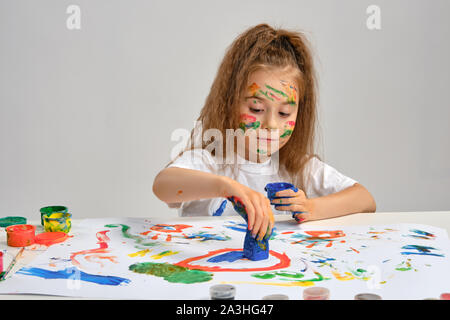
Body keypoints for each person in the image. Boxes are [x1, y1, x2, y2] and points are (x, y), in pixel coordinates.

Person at [153, 23, 376, 242]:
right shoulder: (211, 160)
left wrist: (311, 207)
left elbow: (365, 199)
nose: (271, 124)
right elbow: (163, 186)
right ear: (230, 102)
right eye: (256, 109)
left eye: (284, 113)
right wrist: (227, 188)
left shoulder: (298, 169)